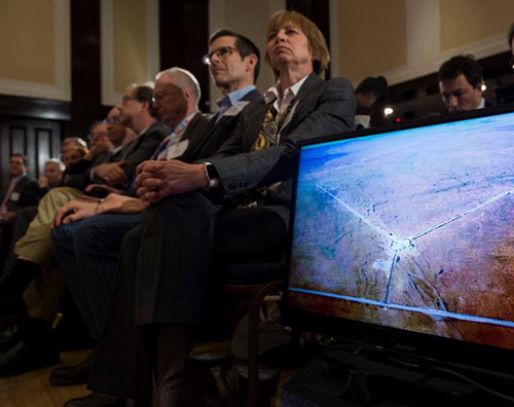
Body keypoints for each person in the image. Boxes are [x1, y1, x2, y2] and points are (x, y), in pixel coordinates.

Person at [66, 11, 354, 406]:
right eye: (273, 34)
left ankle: (168, 384)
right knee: (138, 236)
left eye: (291, 32)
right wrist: (165, 179)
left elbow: (293, 153)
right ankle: (138, 384)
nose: (280, 38)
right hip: (240, 212)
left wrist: (198, 175)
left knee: (168, 216)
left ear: (315, 48)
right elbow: (223, 159)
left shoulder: (333, 91)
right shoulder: (257, 110)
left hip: (293, 216)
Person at [50, 30, 262, 396]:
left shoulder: (258, 108)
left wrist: (141, 195)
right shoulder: (212, 118)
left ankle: (158, 375)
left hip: (211, 205)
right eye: (211, 54)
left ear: (250, 61)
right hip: (179, 201)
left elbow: (230, 166)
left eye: (224, 52)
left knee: (107, 233)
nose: (214, 60)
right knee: (117, 236)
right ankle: (132, 372)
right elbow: (182, 167)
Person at [0, 86, 167, 377]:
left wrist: (97, 173)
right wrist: (95, 169)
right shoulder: (130, 143)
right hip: (106, 198)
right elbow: (82, 177)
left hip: (128, 205)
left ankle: (15, 293)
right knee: (55, 223)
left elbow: (125, 175)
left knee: (58, 208)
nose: (116, 113)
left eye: (125, 102)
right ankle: (31, 327)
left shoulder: (154, 135)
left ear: (142, 105)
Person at [0, 154, 40, 278]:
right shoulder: (7, 182)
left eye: (18, 163)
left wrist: (13, 214)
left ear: (25, 167)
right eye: (12, 162)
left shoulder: (30, 183)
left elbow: (30, 207)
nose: (13, 165)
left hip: (13, 219)